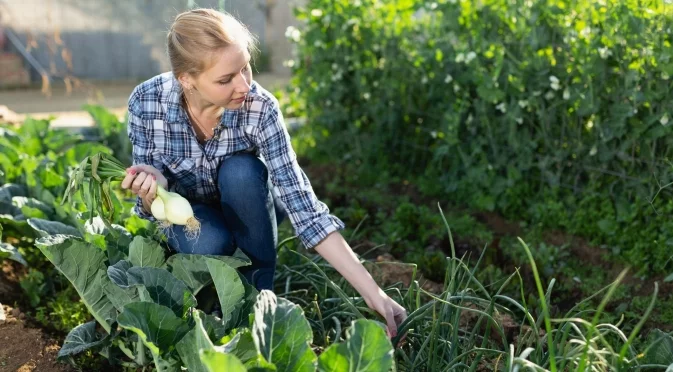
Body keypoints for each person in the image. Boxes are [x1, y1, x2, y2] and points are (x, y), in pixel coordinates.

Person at [120, 8, 406, 337]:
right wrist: (153, 188)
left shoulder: (260, 107)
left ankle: (259, 299)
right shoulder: (146, 102)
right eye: (226, 79)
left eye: (245, 68)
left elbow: (305, 207)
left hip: (248, 201)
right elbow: (147, 209)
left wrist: (374, 293)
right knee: (210, 241)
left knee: (241, 170)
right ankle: (212, 300)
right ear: (187, 79)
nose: (244, 85)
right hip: (194, 218)